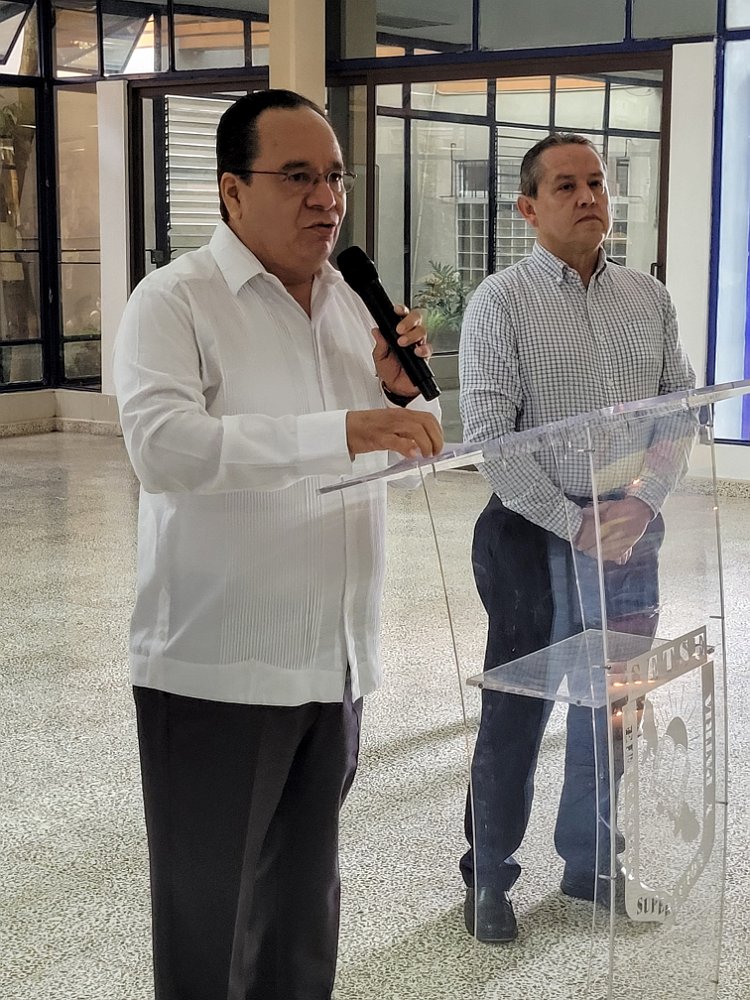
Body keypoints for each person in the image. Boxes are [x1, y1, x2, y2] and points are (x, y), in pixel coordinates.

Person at [113, 89, 442, 1000]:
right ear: (231, 189)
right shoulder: (173, 302)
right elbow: (165, 450)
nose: (326, 199)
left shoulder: (347, 303)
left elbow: (406, 457)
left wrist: (400, 399)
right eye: (297, 176)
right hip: (218, 673)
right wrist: (344, 429)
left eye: (335, 176)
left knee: (300, 927)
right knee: (208, 934)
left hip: (332, 666)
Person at [458, 133, 695, 942]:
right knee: (517, 712)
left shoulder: (647, 298)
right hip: (532, 533)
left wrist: (645, 500)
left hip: (630, 535)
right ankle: (489, 876)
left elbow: (677, 408)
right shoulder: (501, 302)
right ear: (528, 208)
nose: (589, 196)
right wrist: (574, 524)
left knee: (614, 707)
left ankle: (591, 861)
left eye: (596, 182)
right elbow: (492, 436)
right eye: (566, 186)